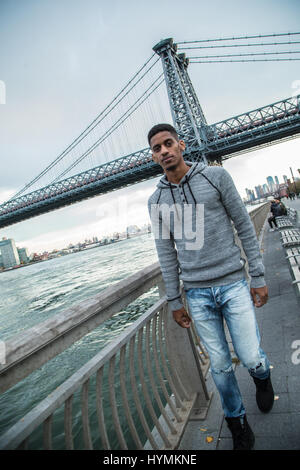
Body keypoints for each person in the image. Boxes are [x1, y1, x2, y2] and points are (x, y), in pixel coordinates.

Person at [147, 123, 274, 451]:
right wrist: (175, 300)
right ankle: (237, 423)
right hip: (197, 294)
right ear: (153, 156)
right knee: (219, 366)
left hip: (233, 283)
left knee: (250, 357)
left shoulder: (216, 177)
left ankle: (263, 378)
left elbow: (244, 226)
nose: (163, 151)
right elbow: (166, 253)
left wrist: (257, 277)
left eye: (168, 143)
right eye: (157, 148)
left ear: (181, 145)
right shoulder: (156, 200)